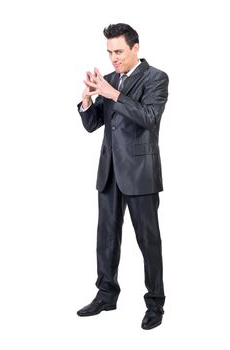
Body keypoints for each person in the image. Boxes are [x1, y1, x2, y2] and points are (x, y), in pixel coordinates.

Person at [76, 23, 169, 330]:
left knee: (148, 241)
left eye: (118, 52)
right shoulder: (110, 79)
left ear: (135, 47)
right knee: (106, 238)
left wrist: (113, 93)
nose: (113, 58)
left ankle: (155, 303)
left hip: (141, 174)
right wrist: (88, 98)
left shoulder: (156, 77)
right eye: (109, 52)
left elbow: (150, 119)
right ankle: (106, 294)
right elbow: (92, 125)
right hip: (110, 172)